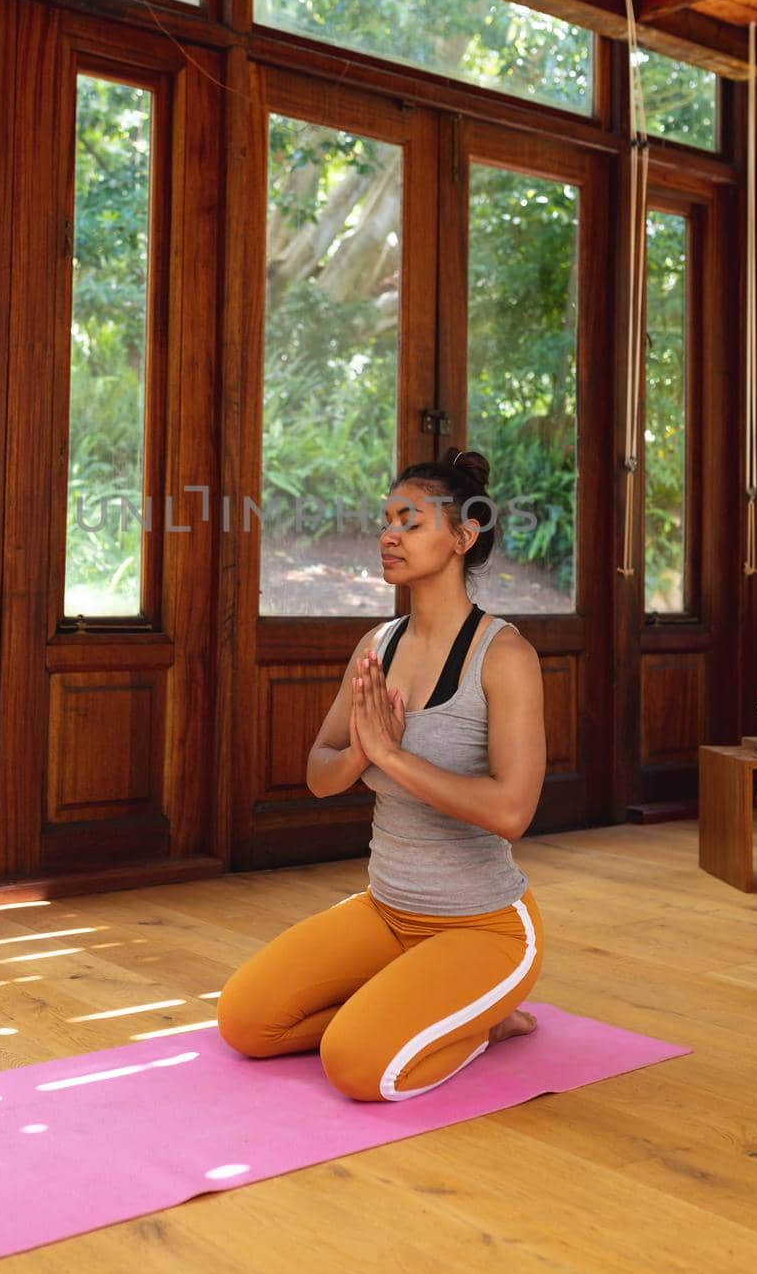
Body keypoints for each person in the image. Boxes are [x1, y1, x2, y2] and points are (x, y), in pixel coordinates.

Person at [217, 447, 547, 1102]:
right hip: (386, 910)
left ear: (461, 535)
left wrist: (394, 756)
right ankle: (419, 1003)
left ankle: (482, 1023)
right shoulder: (377, 646)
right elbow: (319, 775)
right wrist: (363, 753)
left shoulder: (503, 656)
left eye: (410, 521)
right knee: (245, 1023)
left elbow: (511, 811)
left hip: (482, 924)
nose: (387, 535)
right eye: (385, 521)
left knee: (358, 1069)